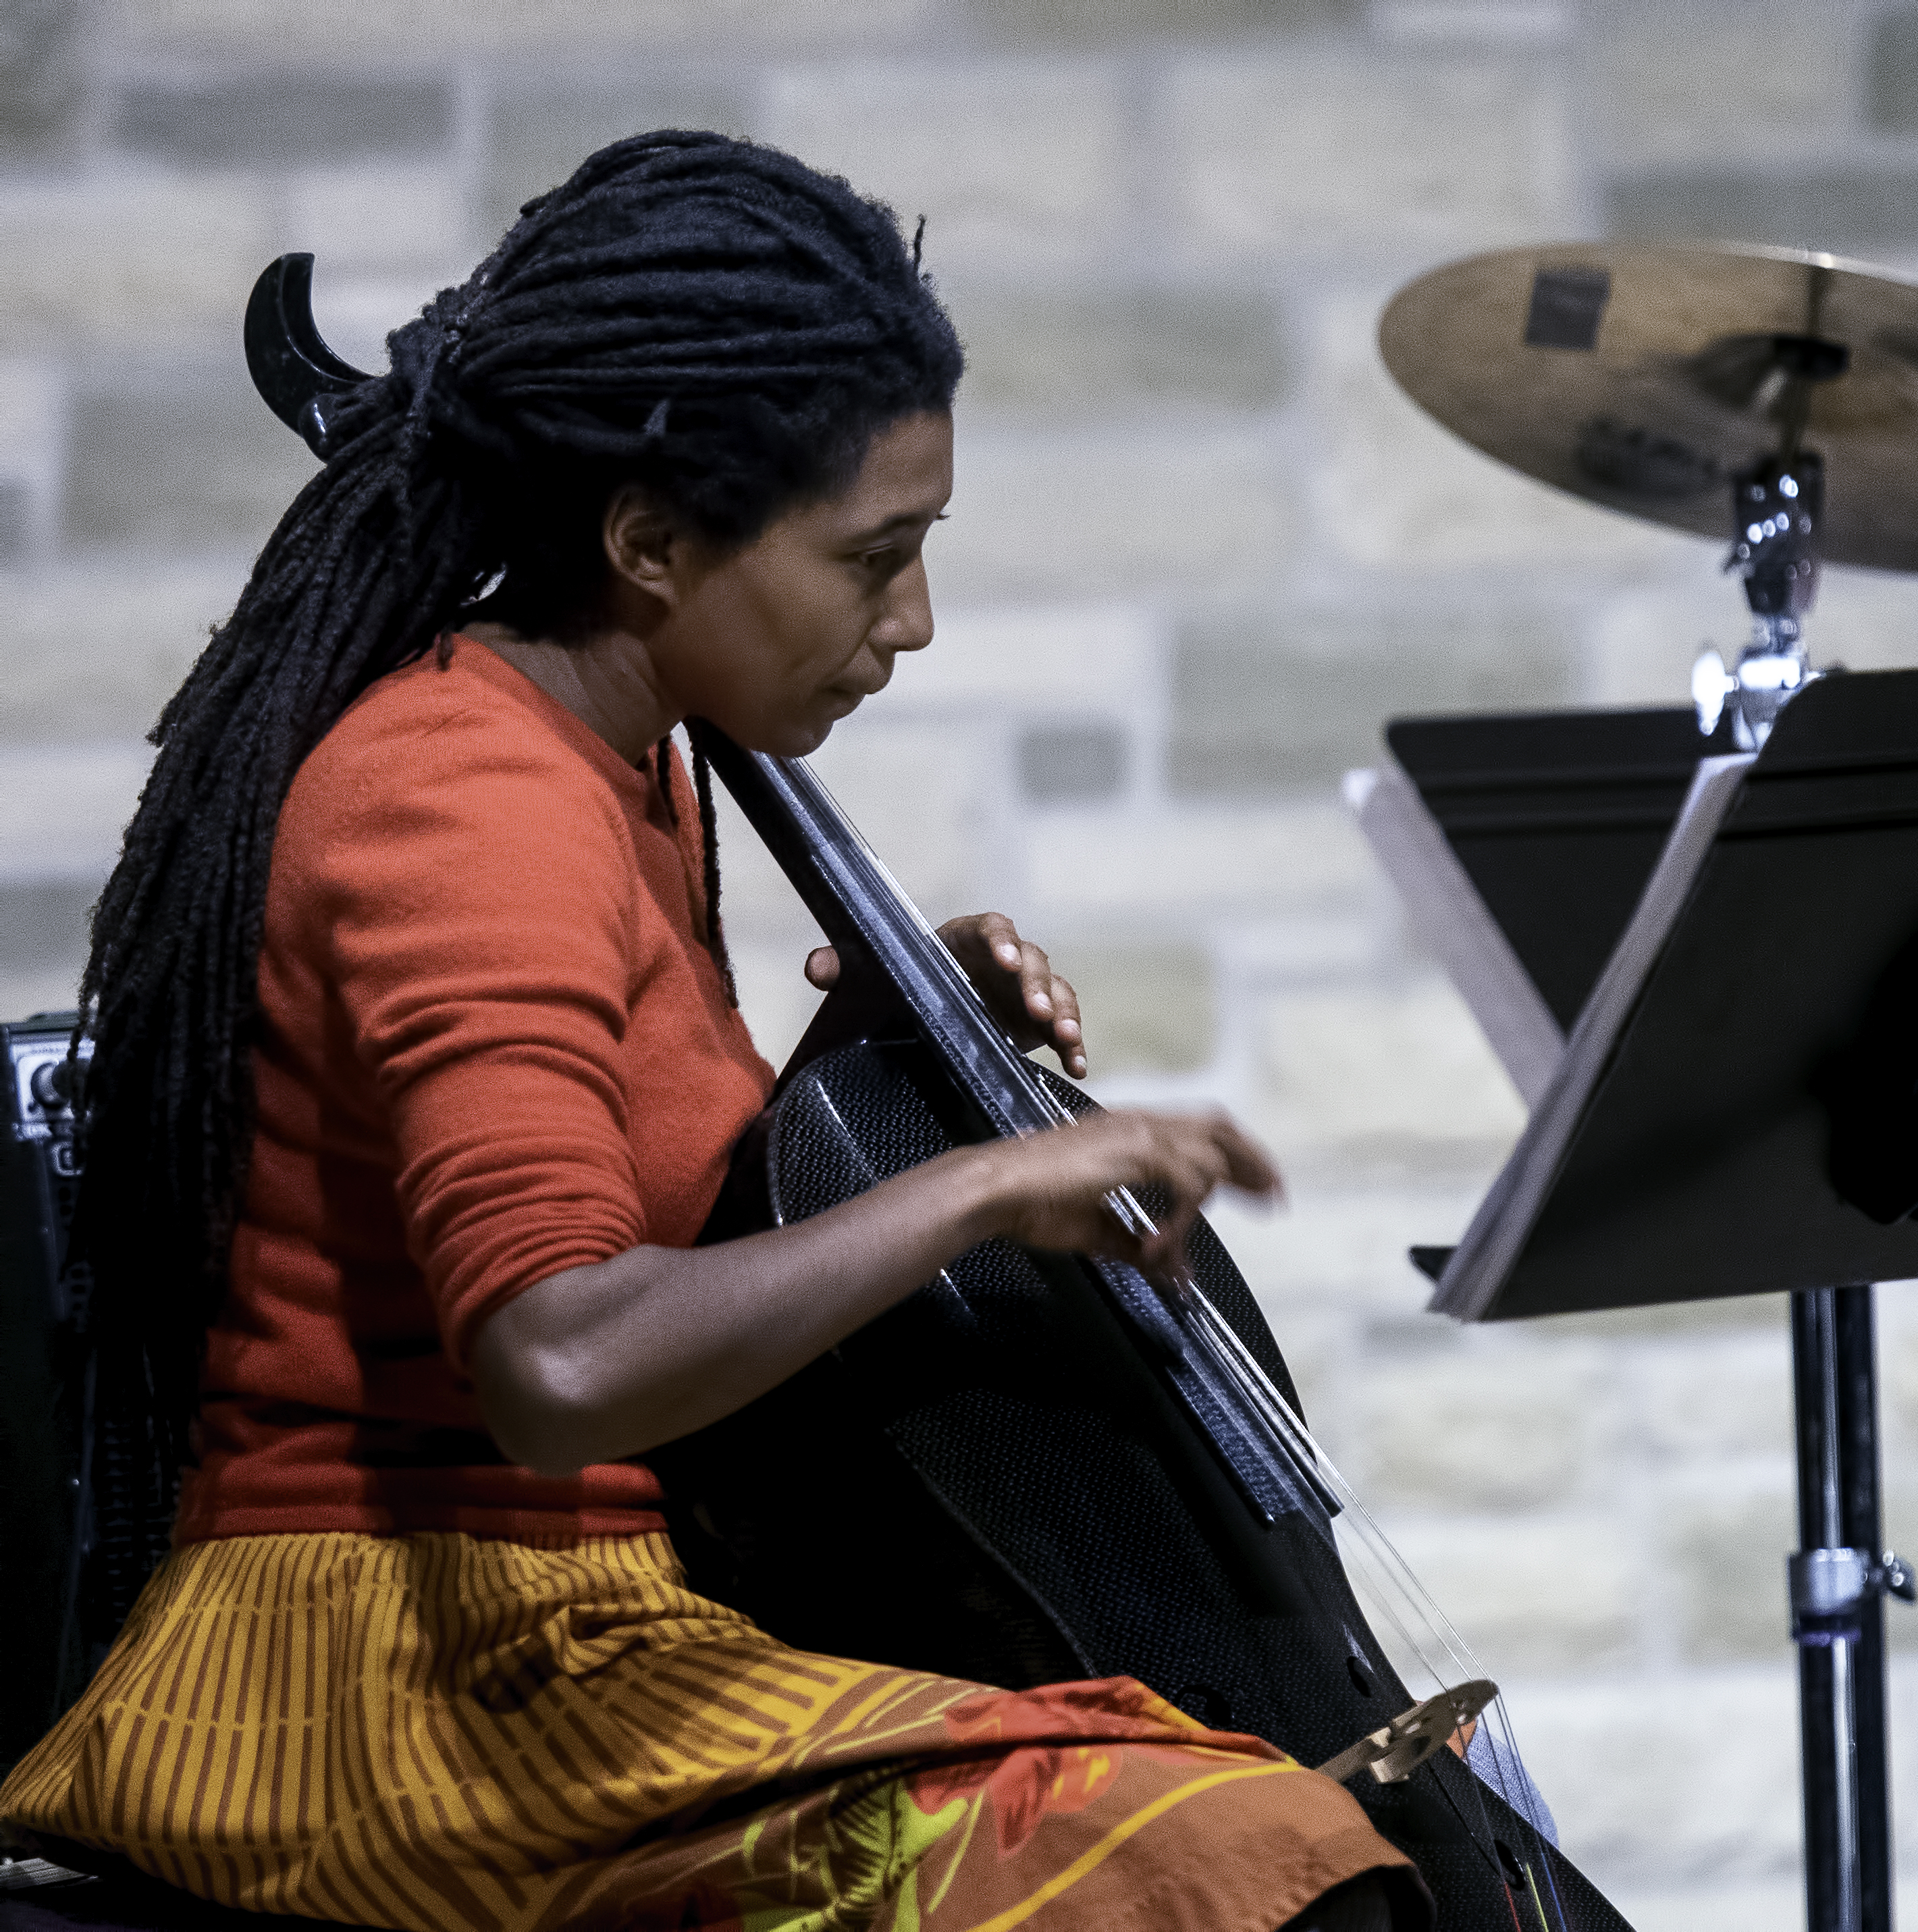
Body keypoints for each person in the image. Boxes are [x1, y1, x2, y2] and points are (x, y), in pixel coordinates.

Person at [0, 132, 1420, 1932]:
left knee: (1248, 1822)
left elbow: (655, 1199)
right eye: (871, 557)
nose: (911, 622)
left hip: (591, 1626)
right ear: (649, 541)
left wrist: (899, 1067)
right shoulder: (465, 791)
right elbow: (563, 1360)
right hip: (392, 1678)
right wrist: (984, 1189)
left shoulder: (629, 768)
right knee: (1224, 1865)